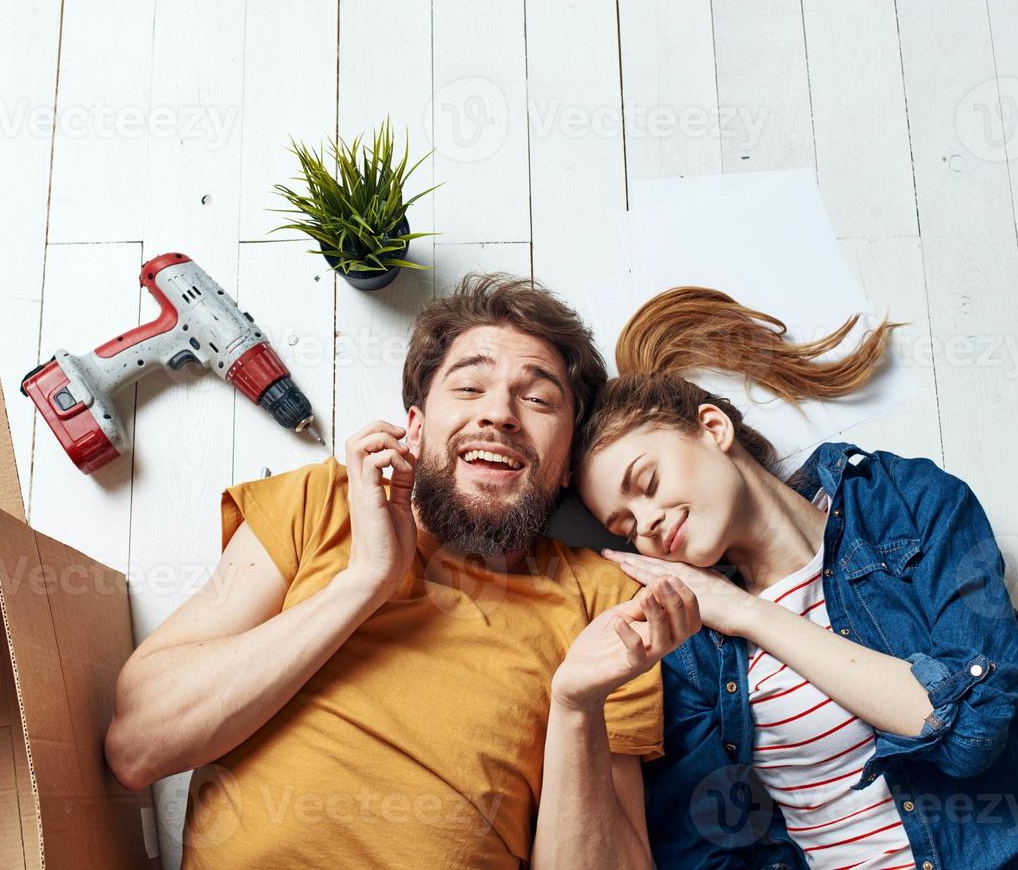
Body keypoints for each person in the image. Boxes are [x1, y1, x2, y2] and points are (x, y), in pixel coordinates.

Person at [103, 273, 701, 869]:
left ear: (568, 463)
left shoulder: (603, 602)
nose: (500, 413)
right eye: (468, 387)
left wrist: (575, 706)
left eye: (539, 399)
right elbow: (139, 745)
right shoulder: (320, 502)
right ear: (414, 428)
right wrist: (364, 582)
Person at [574, 286, 1018, 869]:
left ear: (712, 427)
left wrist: (751, 614)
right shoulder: (692, 646)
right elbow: (709, 849)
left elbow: (971, 731)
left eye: (647, 483)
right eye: (624, 526)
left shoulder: (906, 506)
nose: (646, 522)